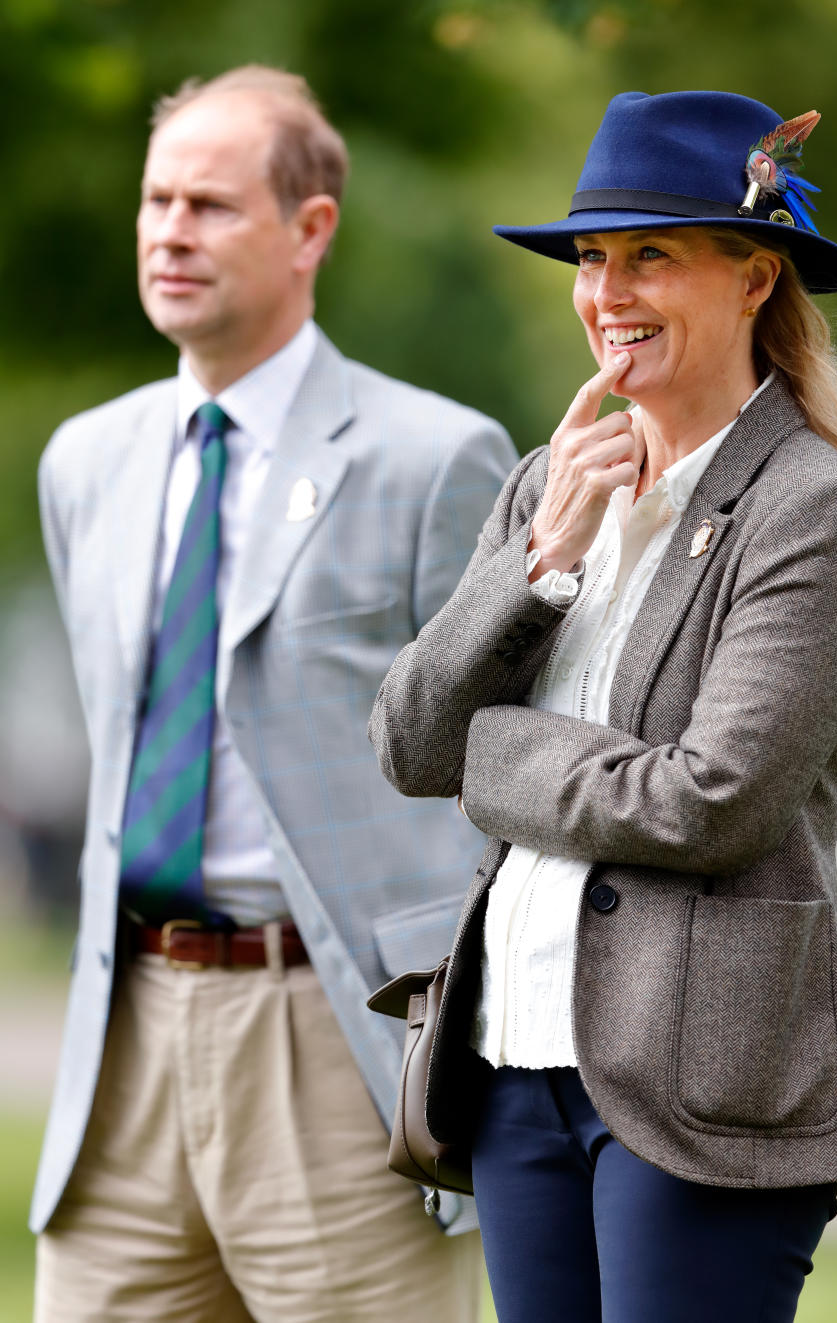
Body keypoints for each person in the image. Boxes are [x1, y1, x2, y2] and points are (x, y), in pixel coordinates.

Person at [370, 90, 837, 1322]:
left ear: (754, 279)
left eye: (652, 255)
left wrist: (496, 756)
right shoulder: (547, 482)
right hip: (513, 1061)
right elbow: (410, 741)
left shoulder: (808, 510)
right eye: (592, 257)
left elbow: (711, 803)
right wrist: (537, 566)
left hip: (701, 1085)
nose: (608, 291)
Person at [33, 64, 516, 1323]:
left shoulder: (438, 458)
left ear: (312, 231)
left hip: (339, 1045)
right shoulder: (83, 464)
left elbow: (498, 772)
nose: (170, 232)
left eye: (210, 204)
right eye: (156, 202)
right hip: (123, 1043)